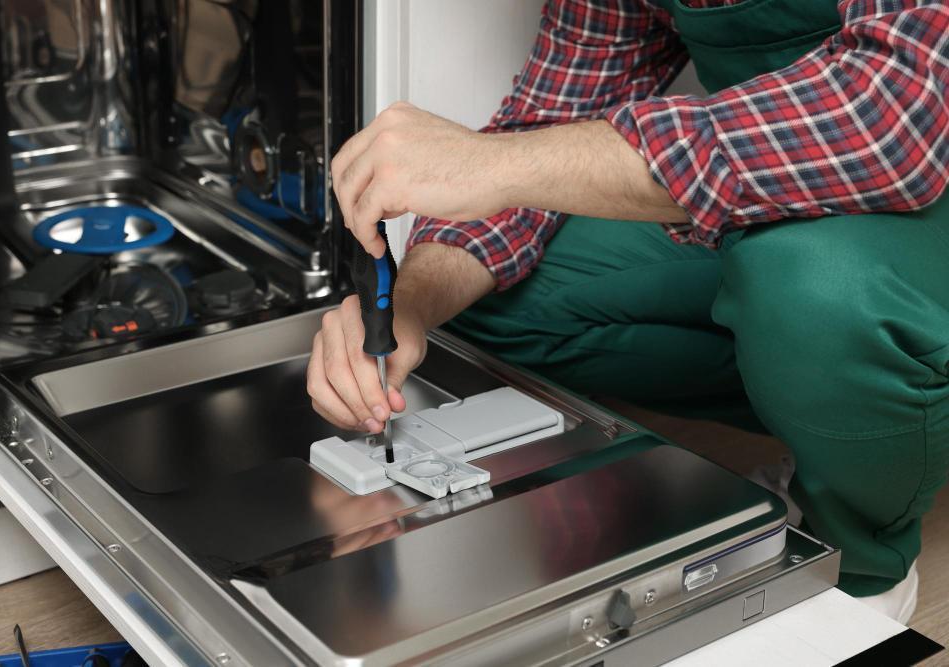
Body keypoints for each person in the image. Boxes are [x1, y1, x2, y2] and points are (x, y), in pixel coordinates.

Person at [306, 0, 949, 622]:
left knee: (816, 285)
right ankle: (850, 417)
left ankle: (862, 566)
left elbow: (890, 119)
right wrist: (412, 304)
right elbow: (562, 106)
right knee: (490, 301)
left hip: (916, 197)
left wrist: (497, 163)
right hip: (780, 206)